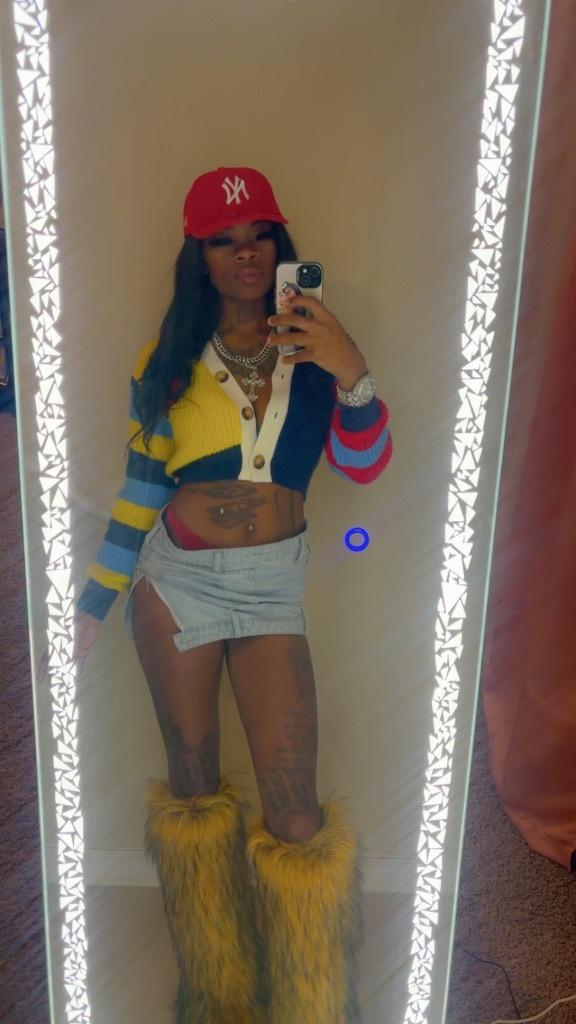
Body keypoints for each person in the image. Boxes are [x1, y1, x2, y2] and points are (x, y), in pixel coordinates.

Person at [75, 166, 393, 1024]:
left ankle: (312, 1004)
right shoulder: (169, 362)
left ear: (279, 247)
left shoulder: (316, 350)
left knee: (295, 815)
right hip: (176, 582)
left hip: (270, 590)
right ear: (200, 257)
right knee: (192, 787)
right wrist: (94, 601)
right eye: (222, 240)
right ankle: (216, 997)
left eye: (258, 235)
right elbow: (141, 491)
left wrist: (351, 368)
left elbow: (364, 464)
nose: (244, 253)